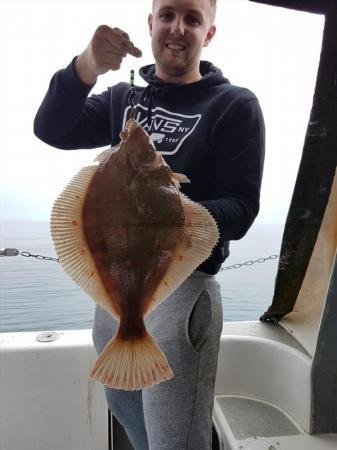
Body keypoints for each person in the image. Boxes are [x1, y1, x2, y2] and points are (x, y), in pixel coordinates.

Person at [34, 0, 265, 448]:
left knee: (174, 436)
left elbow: (241, 206)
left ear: (209, 33)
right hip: (114, 290)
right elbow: (52, 128)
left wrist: (176, 219)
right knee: (124, 407)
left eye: (193, 18)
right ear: (151, 23)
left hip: (183, 286)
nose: (178, 28)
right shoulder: (125, 98)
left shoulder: (233, 105)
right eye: (168, 15)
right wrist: (87, 65)